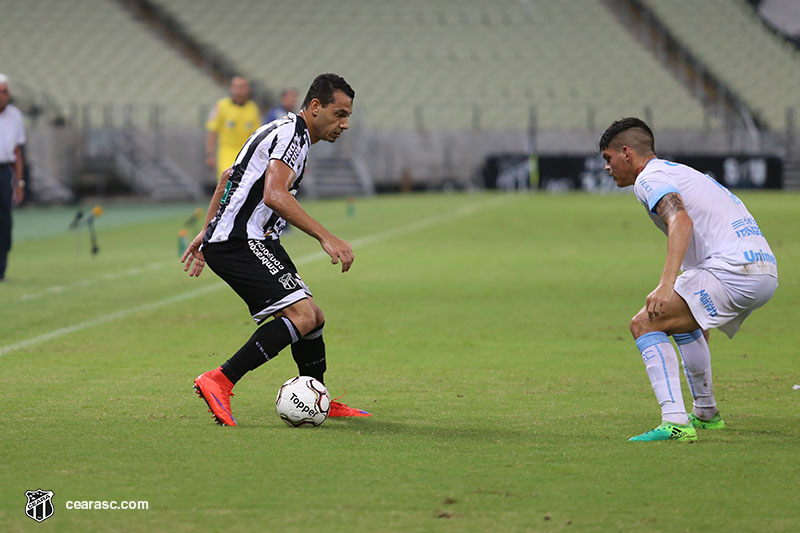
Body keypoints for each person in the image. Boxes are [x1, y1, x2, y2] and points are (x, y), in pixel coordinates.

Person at [182, 73, 370, 426]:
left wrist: (208, 231)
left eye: (348, 117)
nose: (344, 124)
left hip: (250, 238)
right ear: (315, 107)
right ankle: (219, 380)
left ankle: (318, 397)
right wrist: (325, 237)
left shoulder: (284, 130)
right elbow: (274, 195)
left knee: (313, 317)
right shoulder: (291, 136)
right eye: (339, 114)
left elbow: (227, 176)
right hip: (242, 241)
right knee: (300, 316)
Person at [599, 117, 778, 442]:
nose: (607, 168)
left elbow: (681, 221)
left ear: (626, 153)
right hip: (762, 268)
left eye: (608, 159)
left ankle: (675, 422)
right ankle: (706, 414)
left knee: (645, 324)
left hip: (733, 270)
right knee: (685, 322)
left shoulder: (649, 179)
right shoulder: (677, 171)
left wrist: (666, 285)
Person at [205, 76, 261, 180]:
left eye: (243, 86)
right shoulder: (221, 106)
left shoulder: (253, 108)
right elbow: (212, 130)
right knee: (226, 182)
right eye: (237, 86)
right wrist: (210, 154)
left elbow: (257, 135)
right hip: (226, 153)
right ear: (231, 88)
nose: (240, 89)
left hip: (246, 153)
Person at [0, 73, 25, 281]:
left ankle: (1, 269)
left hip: (4, 171)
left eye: (5, 91)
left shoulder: (15, 116)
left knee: (4, 220)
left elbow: (17, 150)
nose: (2, 95)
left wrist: (19, 182)